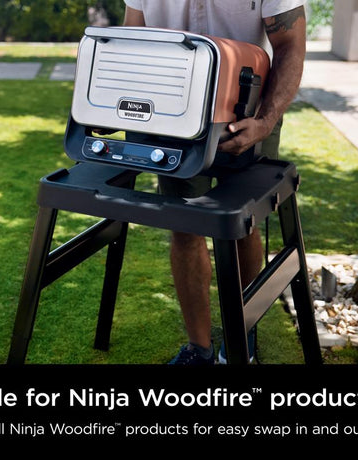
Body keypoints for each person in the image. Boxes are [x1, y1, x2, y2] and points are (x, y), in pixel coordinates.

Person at [121, 0, 307, 364]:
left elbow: (290, 45)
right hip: (174, 114)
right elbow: (133, 38)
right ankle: (199, 349)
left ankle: (241, 335)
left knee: (241, 226)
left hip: (249, 110)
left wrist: (266, 121)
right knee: (184, 227)